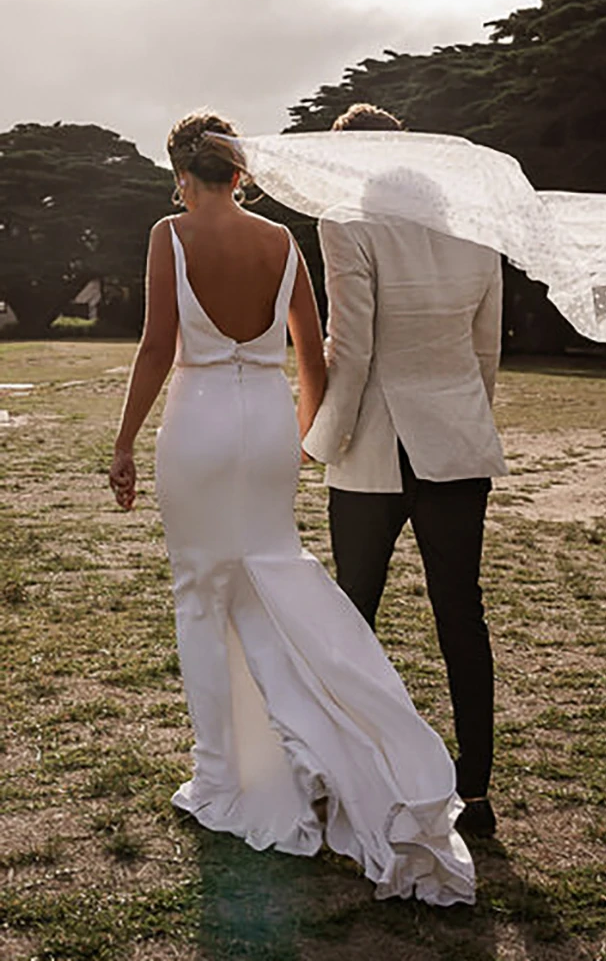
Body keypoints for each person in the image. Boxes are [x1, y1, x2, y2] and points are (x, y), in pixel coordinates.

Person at [108, 111, 475, 906]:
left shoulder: (168, 233)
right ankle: (323, 747)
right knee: (272, 577)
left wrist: (124, 442)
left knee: (203, 599)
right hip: (271, 424)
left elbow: (156, 346)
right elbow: (314, 352)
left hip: (199, 423)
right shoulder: (282, 243)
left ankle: (227, 777)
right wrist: (309, 436)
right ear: (239, 172)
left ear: (182, 174)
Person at [302, 103, 507, 839]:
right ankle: (475, 790)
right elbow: (487, 352)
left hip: (373, 445)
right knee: (462, 612)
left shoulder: (345, 223)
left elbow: (348, 349)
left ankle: (341, 778)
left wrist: (319, 439)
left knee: (353, 614)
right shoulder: (476, 229)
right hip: (457, 442)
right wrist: (464, 421)